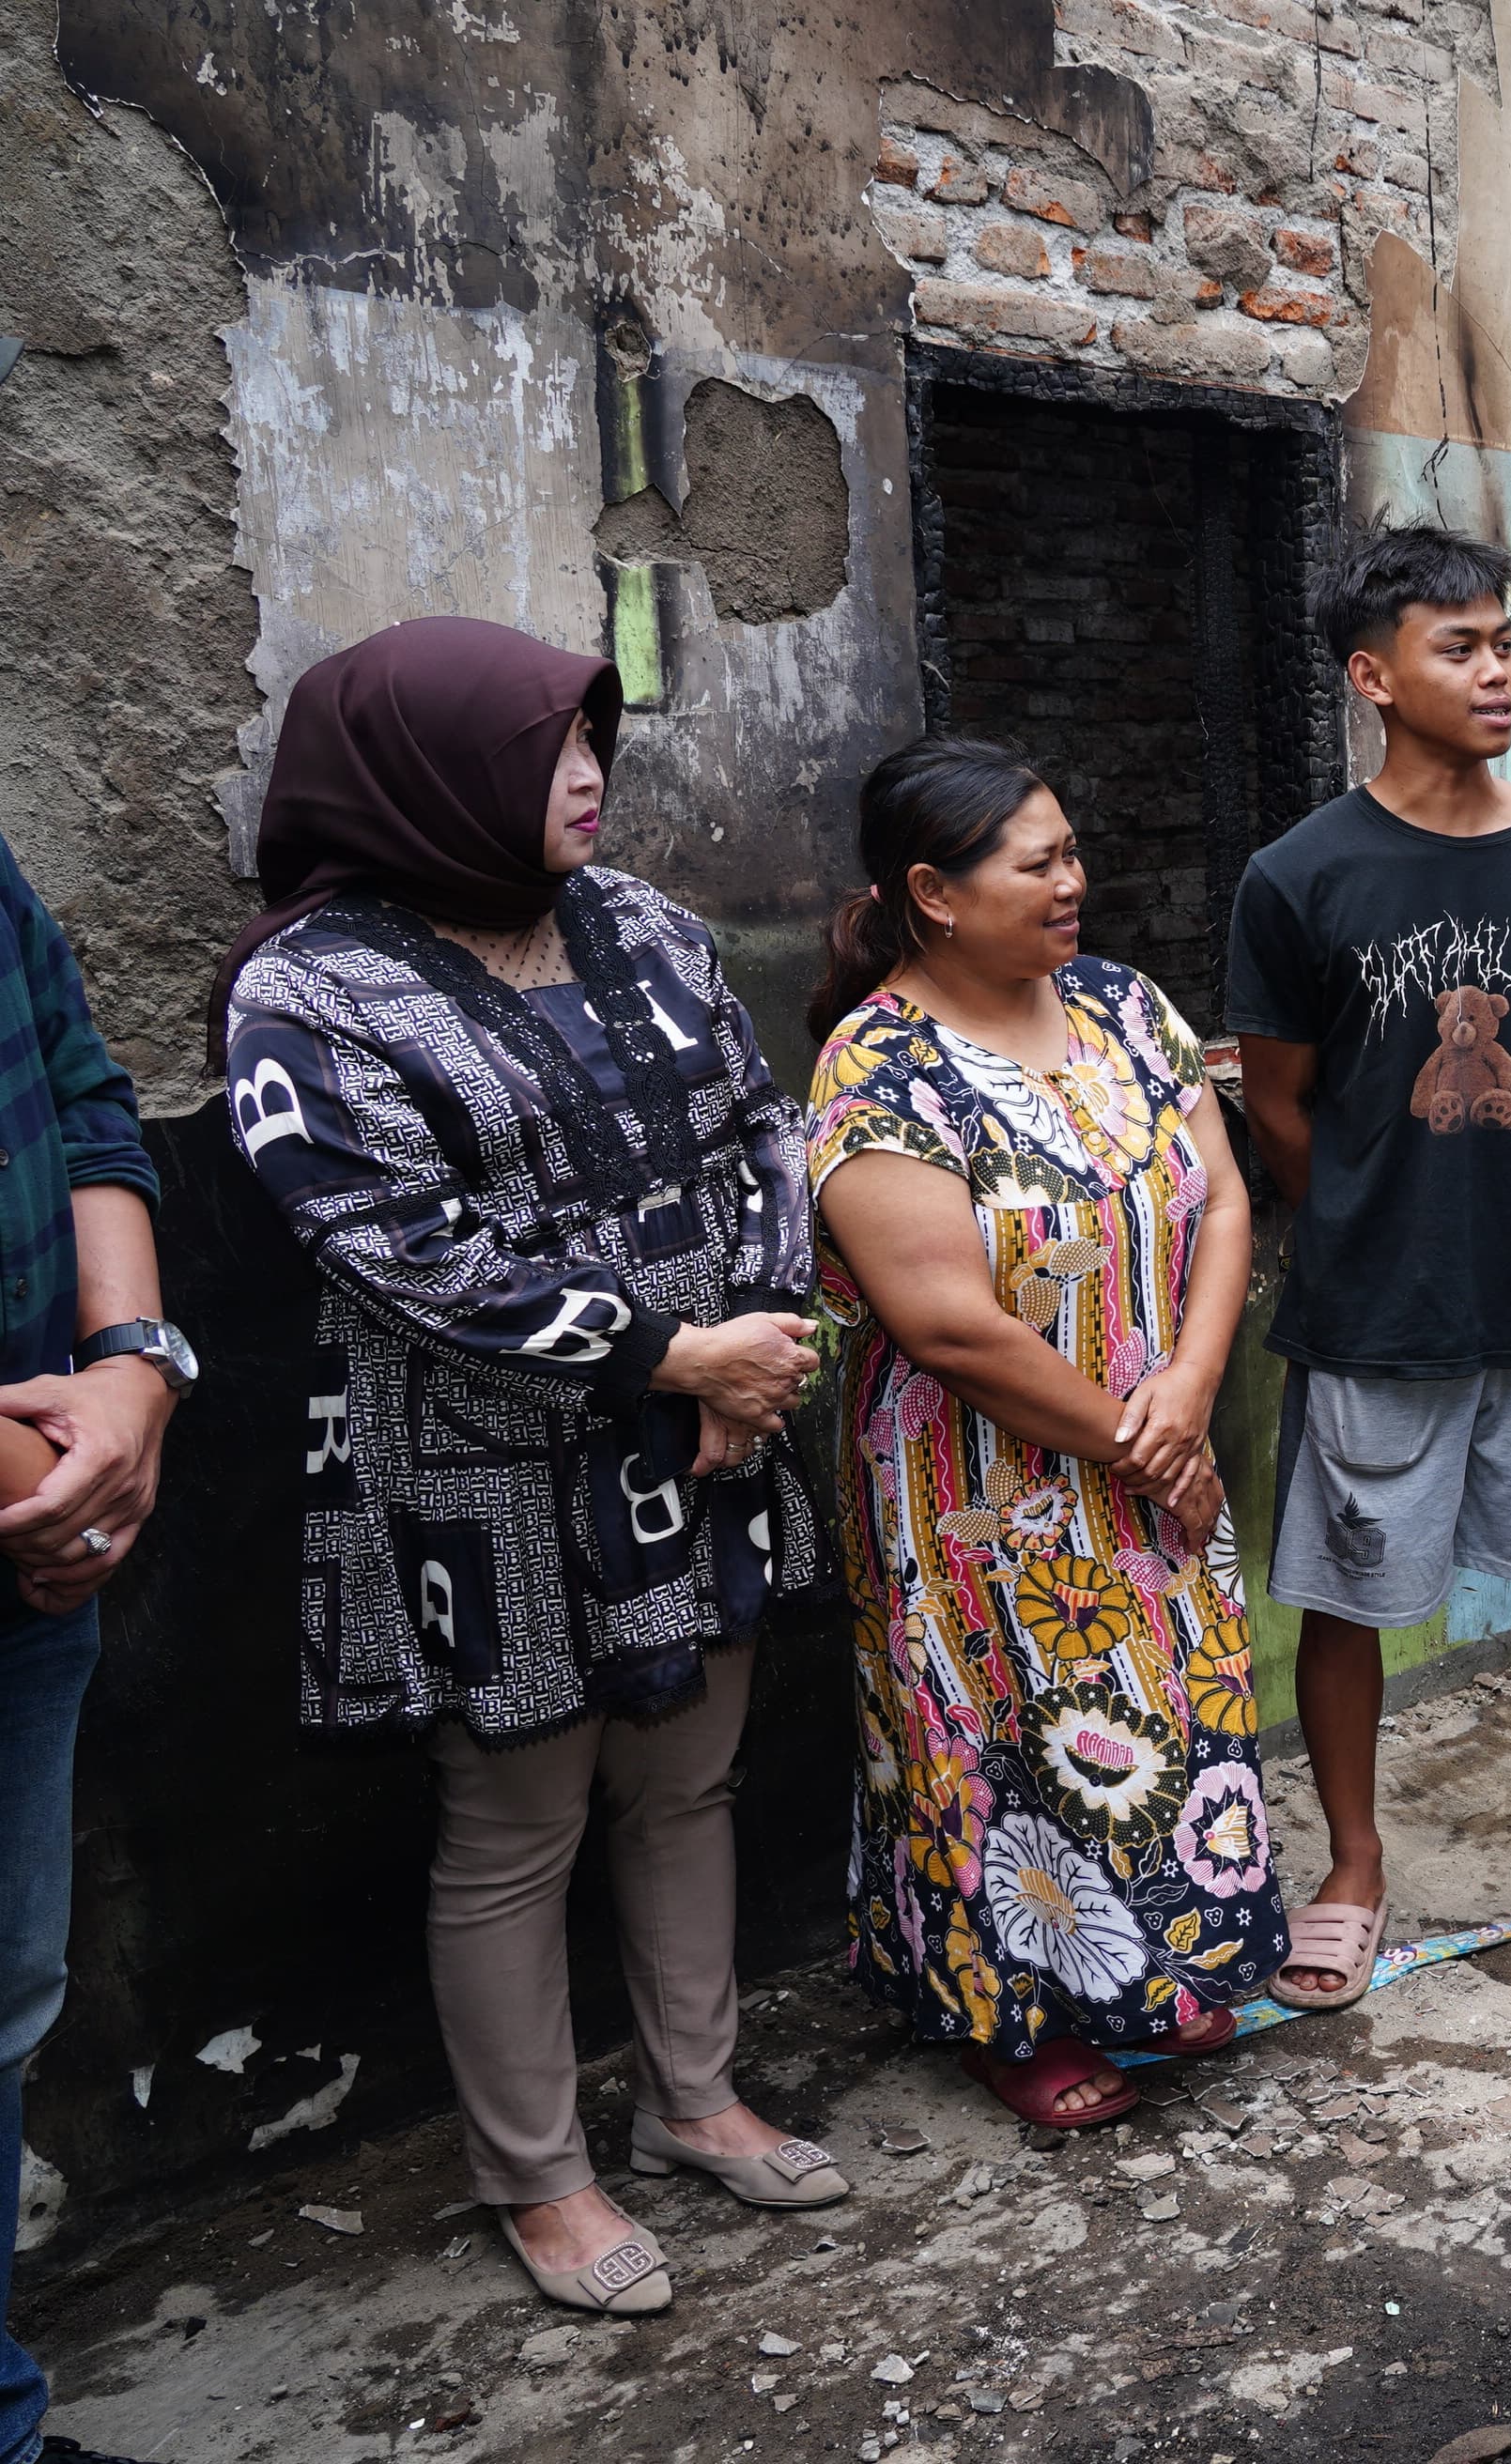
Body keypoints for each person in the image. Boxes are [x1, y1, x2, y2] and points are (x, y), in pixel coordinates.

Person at [219, 617, 845, 2319]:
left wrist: (758, 1340)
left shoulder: (638, 923)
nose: (586, 776)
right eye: (545, 750)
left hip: (711, 1430)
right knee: (515, 1819)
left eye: (591, 739)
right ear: (427, 774)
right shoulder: (311, 987)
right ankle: (539, 2168)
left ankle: (695, 2099)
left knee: (690, 1778)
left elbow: (763, 1130)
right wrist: (665, 1353)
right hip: (484, 1468)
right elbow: (388, 1240)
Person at [809, 737, 1280, 2133]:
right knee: (998, 1731)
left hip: (1154, 1439)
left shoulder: (1127, 1007)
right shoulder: (877, 1066)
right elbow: (944, 1322)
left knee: (1167, 1700)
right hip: (979, 1485)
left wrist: (1188, 1395)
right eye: (1040, 863)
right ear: (933, 894)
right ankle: (1011, 2017)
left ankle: (1161, 1961)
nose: (1076, 881)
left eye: (1074, 852)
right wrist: (1145, 1441)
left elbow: (1227, 1202)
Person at [1221, 524, 1511, 2004]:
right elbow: (1278, 1100)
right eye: (1456, 647)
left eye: (1503, 642)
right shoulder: (1299, 878)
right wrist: (1366, 1215)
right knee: (1347, 1598)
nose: (1494, 672)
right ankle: (1351, 1862)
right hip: (1369, 1306)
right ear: (1373, 676)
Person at [0, 836, 185, 2464]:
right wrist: (51, 1480)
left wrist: (130, 1366)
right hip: (37, 1501)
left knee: (5, 1992)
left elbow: (82, 1095)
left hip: (39, 1535)